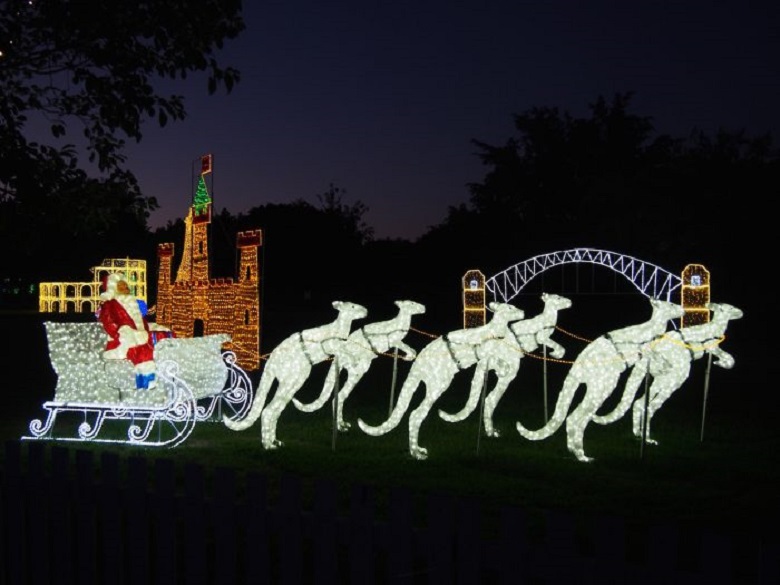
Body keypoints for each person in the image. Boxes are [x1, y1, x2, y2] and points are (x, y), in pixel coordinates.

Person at [97, 273, 159, 390]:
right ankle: (146, 386)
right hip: (121, 342)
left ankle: (148, 384)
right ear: (114, 289)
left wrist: (151, 329)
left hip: (140, 339)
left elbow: (142, 324)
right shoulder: (110, 305)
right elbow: (109, 323)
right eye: (121, 286)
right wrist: (125, 331)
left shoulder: (134, 304)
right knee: (144, 353)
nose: (125, 288)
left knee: (153, 348)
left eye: (126, 286)